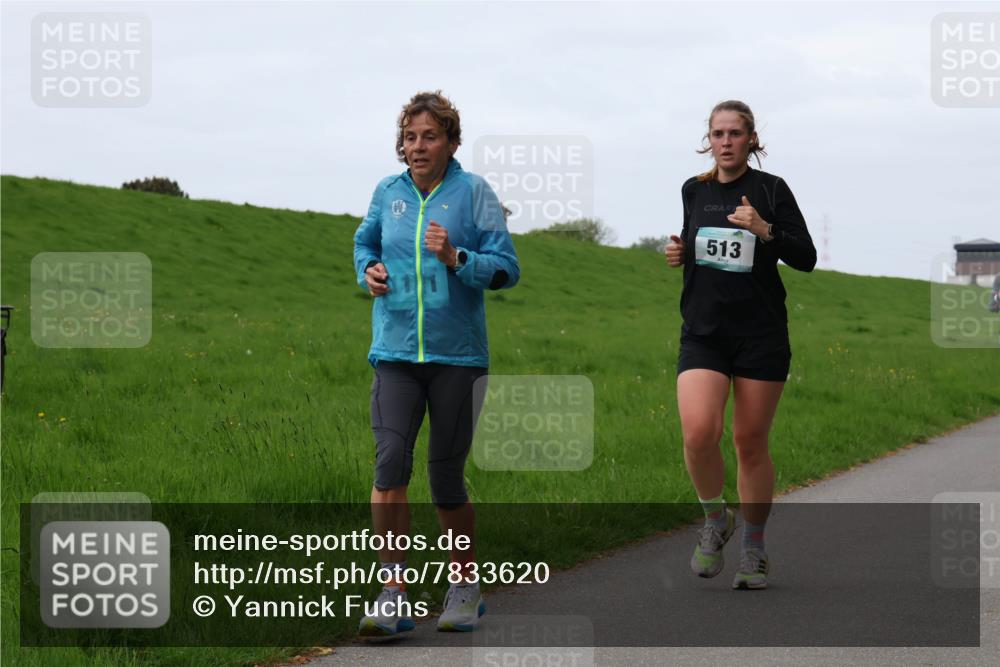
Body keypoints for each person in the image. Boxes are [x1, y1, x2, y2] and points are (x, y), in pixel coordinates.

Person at [352, 90, 520, 635]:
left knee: (445, 476)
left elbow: (507, 269)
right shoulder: (387, 191)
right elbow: (364, 245)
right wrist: (369, 271)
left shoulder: (475, 193)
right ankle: (393, 592)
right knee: (389, 461)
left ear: (450, 141)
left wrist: (456, 258)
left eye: (429, 136)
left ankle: (465, 585)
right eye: (410, 137)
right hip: (395, 354)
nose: (417, 146)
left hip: (458, 357)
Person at [664, 100, 816, 590]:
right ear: (707, 139)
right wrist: (681, 252)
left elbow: (806, 257)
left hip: (761, 336)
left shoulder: (771, 190)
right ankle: (715, 519)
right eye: (718, 133)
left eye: (735, 133)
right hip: (704, 333)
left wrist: (763, 229)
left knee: (749, 442)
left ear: (752, 140)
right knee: (697, 433)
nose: (725, 141)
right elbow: (700, 247)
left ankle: (754, 547)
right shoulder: (695, 190)